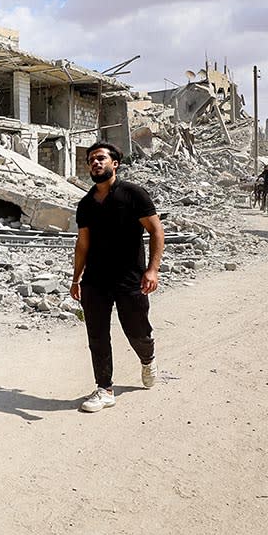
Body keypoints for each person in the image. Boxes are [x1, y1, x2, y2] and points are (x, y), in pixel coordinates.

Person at [70, 142, 164, 413]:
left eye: (101, 158)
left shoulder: (134, 194)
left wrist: (152, 269)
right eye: (91, 160)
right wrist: (76, 278)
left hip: (130, 278)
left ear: (115, 163)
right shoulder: (86, 204)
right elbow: (82, 243)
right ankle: (104, 388)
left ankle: (148, 359)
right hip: (95, 280)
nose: (95, 163)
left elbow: (156, 232)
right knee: (97, 334)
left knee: (136, 330)